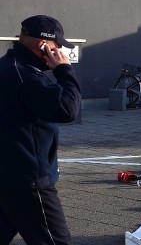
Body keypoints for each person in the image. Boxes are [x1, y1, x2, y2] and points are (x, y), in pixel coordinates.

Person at [0, 15, 82, 245]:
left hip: (7, 176)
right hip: (29, 181)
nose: (61, 52)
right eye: (58, 47)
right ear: (43, 45)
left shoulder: (6, 66)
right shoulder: (27, 77)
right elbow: (68, 109)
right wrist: (65, 70)